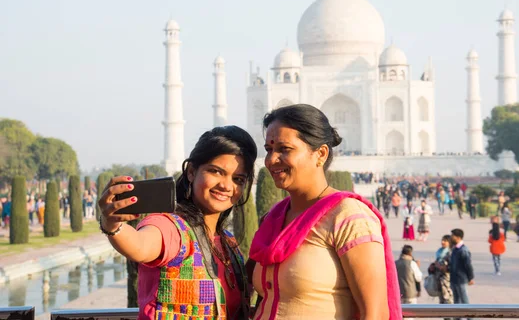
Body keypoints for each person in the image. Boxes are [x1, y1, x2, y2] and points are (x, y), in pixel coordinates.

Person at [249, 104, 401, 320]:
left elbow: (375, 313)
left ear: (320, 154)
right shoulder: (274, 218)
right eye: (268, 149)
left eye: (284, 149)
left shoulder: (347, 216)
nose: (271, 160)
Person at [98, 126, 257, 320]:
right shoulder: (172, 228)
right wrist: (112, 225)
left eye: (238, 179)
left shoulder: (228, 243)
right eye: (215, 171)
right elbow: (140, 245)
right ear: (191, 172)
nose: (226, 185)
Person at [449, 229, 474, 309]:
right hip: (454, 278)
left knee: (464, 301)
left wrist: (470, 278)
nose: (451, 238)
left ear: (458, 237)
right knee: (456, 301)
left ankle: (470, 317)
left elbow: (468, 265)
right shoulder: (455, 249)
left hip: (460, 279)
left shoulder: (463, 250)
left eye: (453, 236)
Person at [432, 235, 453, 306]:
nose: (442, 242)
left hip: (446, 277)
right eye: (442, 240)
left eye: (445, 241)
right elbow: (437, 260)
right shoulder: (440, 251)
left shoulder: (450, 252)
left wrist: (441, 266)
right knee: (441, 296)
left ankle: (449, 313)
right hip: (438, 276)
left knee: (447, 295)